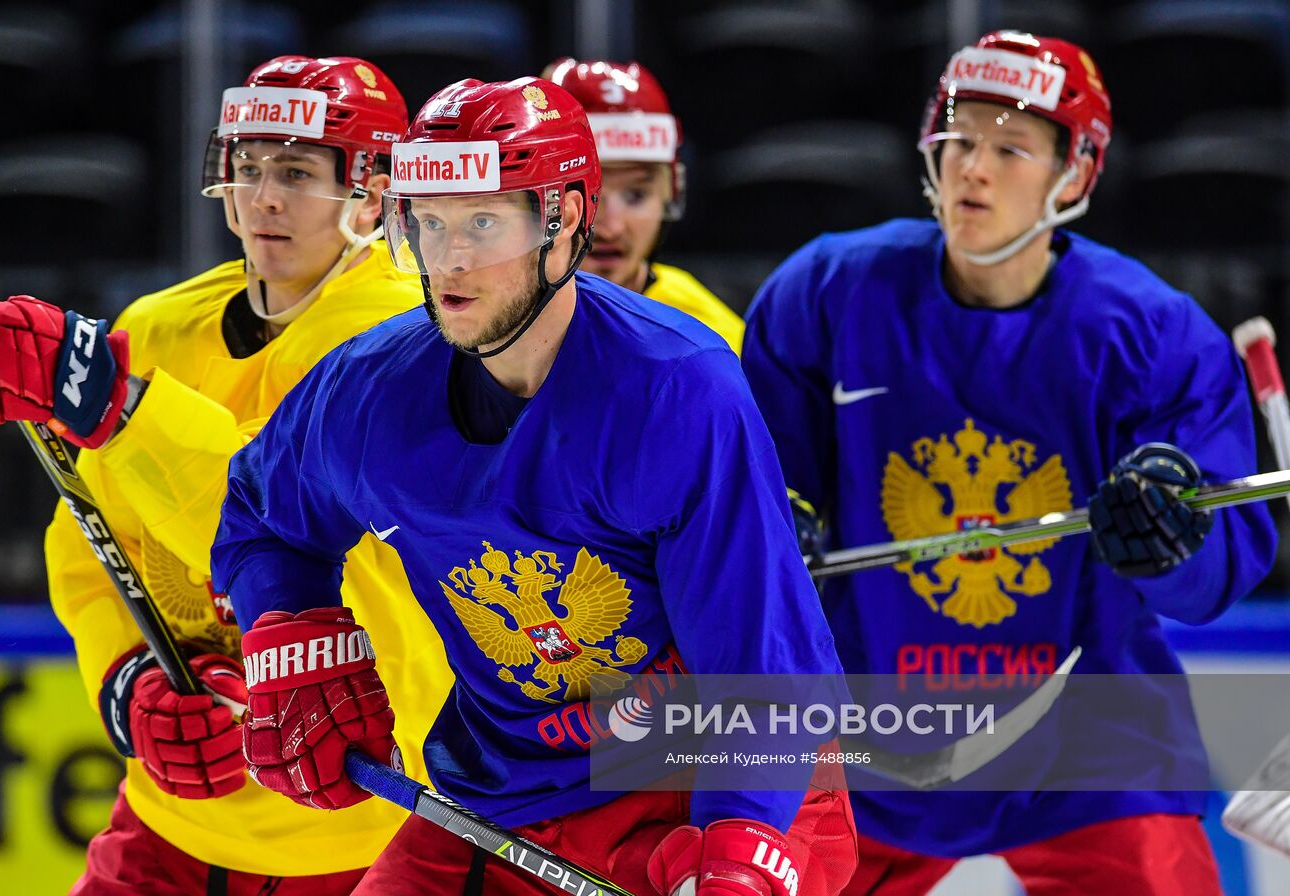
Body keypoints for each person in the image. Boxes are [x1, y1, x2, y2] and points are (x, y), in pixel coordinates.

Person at [210, 76, 858, 895]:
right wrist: (293, 639)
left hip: (706, 781)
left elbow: (761, 667)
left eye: (483, 221)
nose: (449, 257)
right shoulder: (367, 391)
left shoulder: (675, 389)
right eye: (430, 221)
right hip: (501, 795)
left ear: (566, 224)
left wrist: (739, 844)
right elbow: (264, 516)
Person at [741, 30, 1277, 895]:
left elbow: (1214, 575)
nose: (972, 169)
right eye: (959, 140)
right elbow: (758, 491)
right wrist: (772, 540)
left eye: (1010, 147)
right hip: (864, 732)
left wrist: (1173, 542)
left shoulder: (1154, 333)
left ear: (1075, 173)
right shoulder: (825, 295)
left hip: (1092, 733)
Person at [0, 55, 453, 894]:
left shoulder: (416, 342)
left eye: (296, 172)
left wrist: (116, 406)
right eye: (248, 167)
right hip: (169, 831)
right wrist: (131, 682)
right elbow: (89, 541)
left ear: (375, 188)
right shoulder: (161, 328)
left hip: (361, 842)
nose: (263, 197)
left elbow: (285, 526)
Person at [543, 56, 744, 351]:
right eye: (584, 196)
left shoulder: (716, 338)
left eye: (636, 195)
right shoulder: (475, 316)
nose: (611, 228)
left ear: (671, 194)